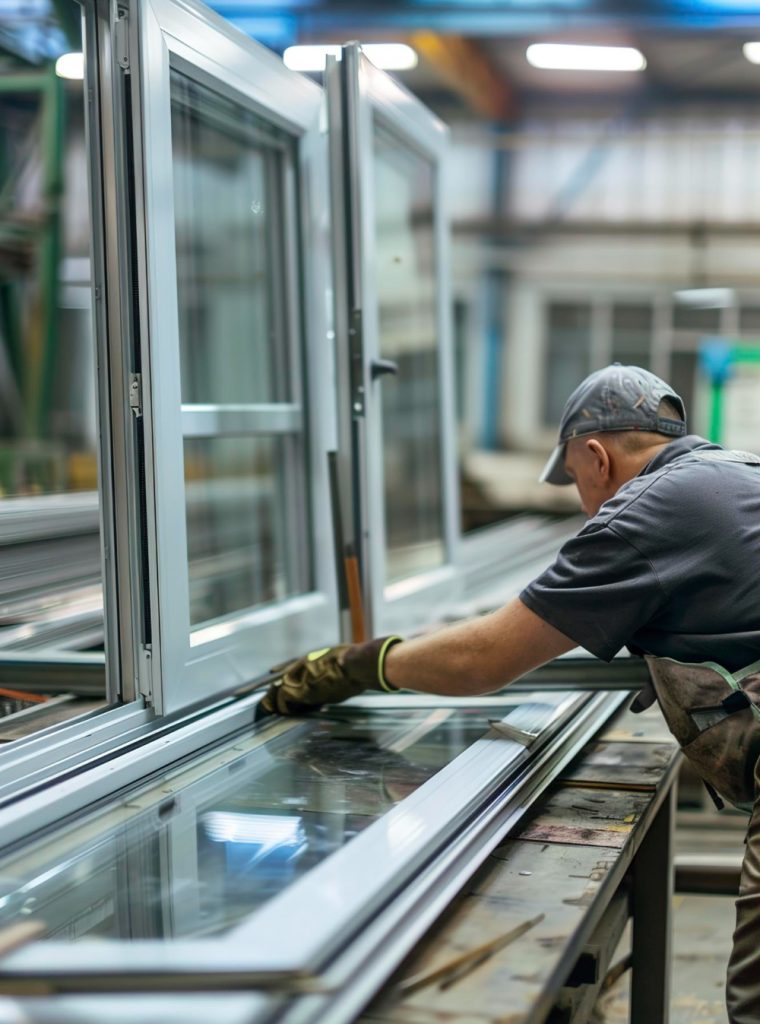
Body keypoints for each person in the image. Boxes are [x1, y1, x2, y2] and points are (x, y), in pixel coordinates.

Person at [262, 363, 760, 1024]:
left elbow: (483, 660)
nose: (583, 502)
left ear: (597, 456)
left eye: (576, 480)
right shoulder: (736, 473)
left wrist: (361, 664)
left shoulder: (645, 512)